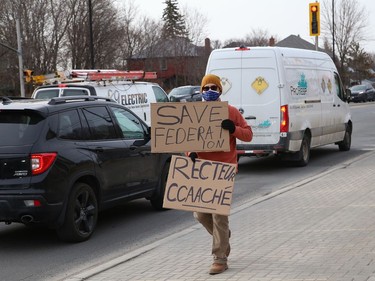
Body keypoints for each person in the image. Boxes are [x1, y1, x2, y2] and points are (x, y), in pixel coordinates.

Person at [189, 74, 253, 275]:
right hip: (202, 170)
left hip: (224, 169)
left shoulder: (231, 112)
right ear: (201, 90)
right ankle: (223, 238)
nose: (210, 91)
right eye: (206, 87)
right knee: (200, 214)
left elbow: (248, 134)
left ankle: (220, 258)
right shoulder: (194, 113)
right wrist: (189, 152)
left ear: (220, 91)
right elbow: (187, 139)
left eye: (214, 88)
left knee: (219, 215)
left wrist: (233, 129)